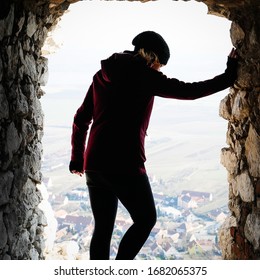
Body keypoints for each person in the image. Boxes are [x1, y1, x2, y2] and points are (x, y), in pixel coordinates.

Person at [69, 31, 238, 260]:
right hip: (125, 163)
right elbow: (190, 91)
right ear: (151, 58)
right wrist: (229, 75)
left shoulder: (101, 74)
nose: (159, 70)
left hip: (94, 164)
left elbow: (81, 118)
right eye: (159, 65)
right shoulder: (145, 75)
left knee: (102, 229)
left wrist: (77, 158)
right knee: (146, 219)